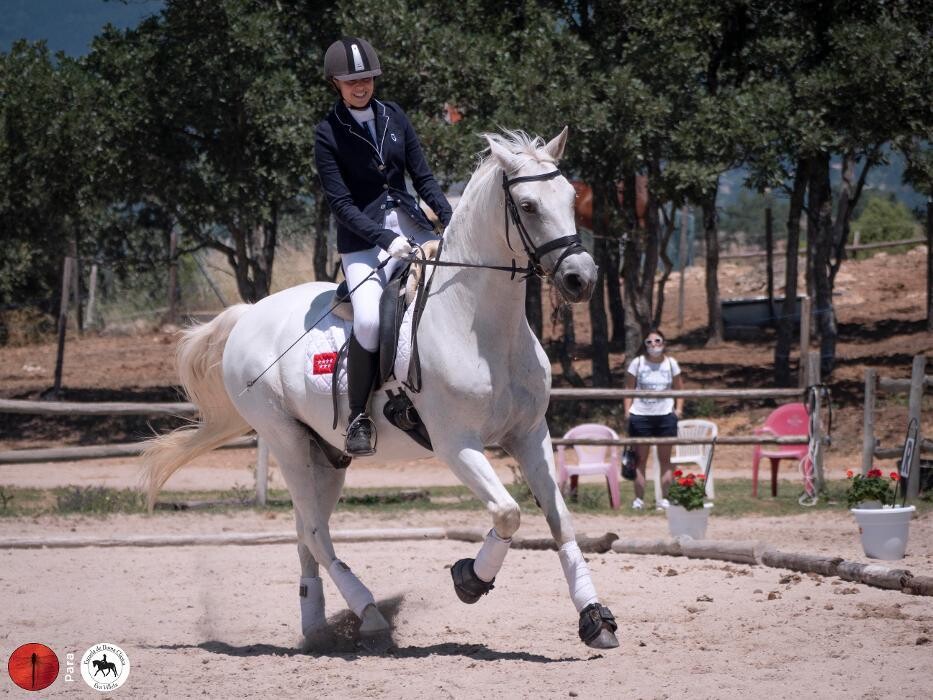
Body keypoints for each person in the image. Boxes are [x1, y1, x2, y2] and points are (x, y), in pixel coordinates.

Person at [314, 36, 453, 456]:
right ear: (336, 82)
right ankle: (360, 415)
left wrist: (449, 218)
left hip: (413, 226)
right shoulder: (327, 134)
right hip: (362, 242)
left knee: (454, 292)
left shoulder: (395, 116)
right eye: (352, 80)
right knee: (371, 321)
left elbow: (423, 177)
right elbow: (340, 204)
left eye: (367, 78)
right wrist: (385, 239)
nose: (361, 86)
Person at [623, 328, 684, 509]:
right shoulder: (638, 363)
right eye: (649, 342)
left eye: (657, 341)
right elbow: (628, 389)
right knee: (640, 460)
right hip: (641, 416)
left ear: (663, 343)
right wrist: (628, 411)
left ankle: (664, 499)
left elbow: (680, 388)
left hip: (665, 416)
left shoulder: (671, 363)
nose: (653, 345)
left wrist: (678, 409)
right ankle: (639, 500)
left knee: (665, 460)